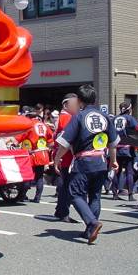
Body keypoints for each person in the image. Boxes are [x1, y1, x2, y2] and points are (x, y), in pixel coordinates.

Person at [54, 84, 119, 244]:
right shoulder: (105, 117)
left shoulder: (79, 117)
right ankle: (90, 230)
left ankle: (92, 223)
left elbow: (64, 142)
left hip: (84, 161)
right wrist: (114, 160)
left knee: (75, 193)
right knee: (95, 195)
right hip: (101, 161)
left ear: (80, 101)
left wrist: (57, 159)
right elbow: (113, 143)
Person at [13, 108, 54, 203]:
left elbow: (17, 139)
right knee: (39, 176)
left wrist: (11, 143)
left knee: (27, 175)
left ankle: (22, 195)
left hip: (31, 155)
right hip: (43, 154)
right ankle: (37, 198)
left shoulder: (29, 125)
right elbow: (51, 142)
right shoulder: (44, 125)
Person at [53, 93, 79, 222]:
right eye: (75, 103)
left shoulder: (62, 117)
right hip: (67, 155)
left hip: (62, 154)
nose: (77, 106)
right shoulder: (68, 118)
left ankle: (60, 210)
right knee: (67, 185)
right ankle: (63, 212)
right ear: (66, 105)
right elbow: (69, 140)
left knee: (65, 184)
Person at [112, 101, 138, 201]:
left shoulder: (114, 118)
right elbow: (137, 129)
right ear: (129, 109)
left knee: (116, 170)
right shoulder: (130, 118)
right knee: (129, 172)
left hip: (115, 147)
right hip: (127, 148)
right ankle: (130, 194)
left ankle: (114, 193)